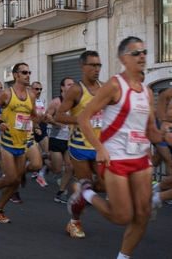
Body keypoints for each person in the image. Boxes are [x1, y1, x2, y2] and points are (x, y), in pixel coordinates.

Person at [74, 36, 172, 259]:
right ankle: (86, 193)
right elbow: (84, 118)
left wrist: (165, 134)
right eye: (136, 53)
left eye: (144, 52)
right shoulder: (114, 85)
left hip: (140, 159)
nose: (142, 56)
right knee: (121, 216)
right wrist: (99, 148)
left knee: (144, 213)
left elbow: (150, 130)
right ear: (123, 59)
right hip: (115, 157)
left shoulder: (147, 92)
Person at [0, 62, 51, 223]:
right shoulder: (6, 94)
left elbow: (33, 116)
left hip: (22, 142)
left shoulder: (31, 96)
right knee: (11, 177)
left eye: (29, 72)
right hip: (7, 142)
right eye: (24, 72)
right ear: (15, 75)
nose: (28, 75)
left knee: (16, 181)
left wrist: (43, 118)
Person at [54, 50, 105, 238]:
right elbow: (59, 115)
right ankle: (74, 223)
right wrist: (81, 119)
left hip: (98, 145)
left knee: (107, 184)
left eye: (99, 65)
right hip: (80, 147)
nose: (96, 69)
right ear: (82, 67)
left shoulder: (105, 88)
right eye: (92, 65)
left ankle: (79, 190)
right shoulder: (76, 89)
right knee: (87, 185)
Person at [45, 78, 75, 203]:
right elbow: (46, 117)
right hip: (56, 139)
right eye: (69, 84)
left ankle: (60, 193)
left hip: (69, 140)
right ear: (62, 87)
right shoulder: (56, 102)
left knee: (70, 167)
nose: (72, 86)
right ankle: (44, 161)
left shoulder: (75, 102)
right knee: (57, 169)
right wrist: (57, 122)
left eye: (73, 84)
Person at [29, 81, 50, 185]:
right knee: (32, 156)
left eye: (40, 89)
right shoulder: (28, 101)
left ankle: (40, 173)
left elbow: (41, 115)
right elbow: (31, 116)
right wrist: (35, 126)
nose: (39, 91)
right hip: (30, 129)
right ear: (31, 89)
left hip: (41, 128)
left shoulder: (42, 100)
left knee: (48, 153)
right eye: (36, 89)